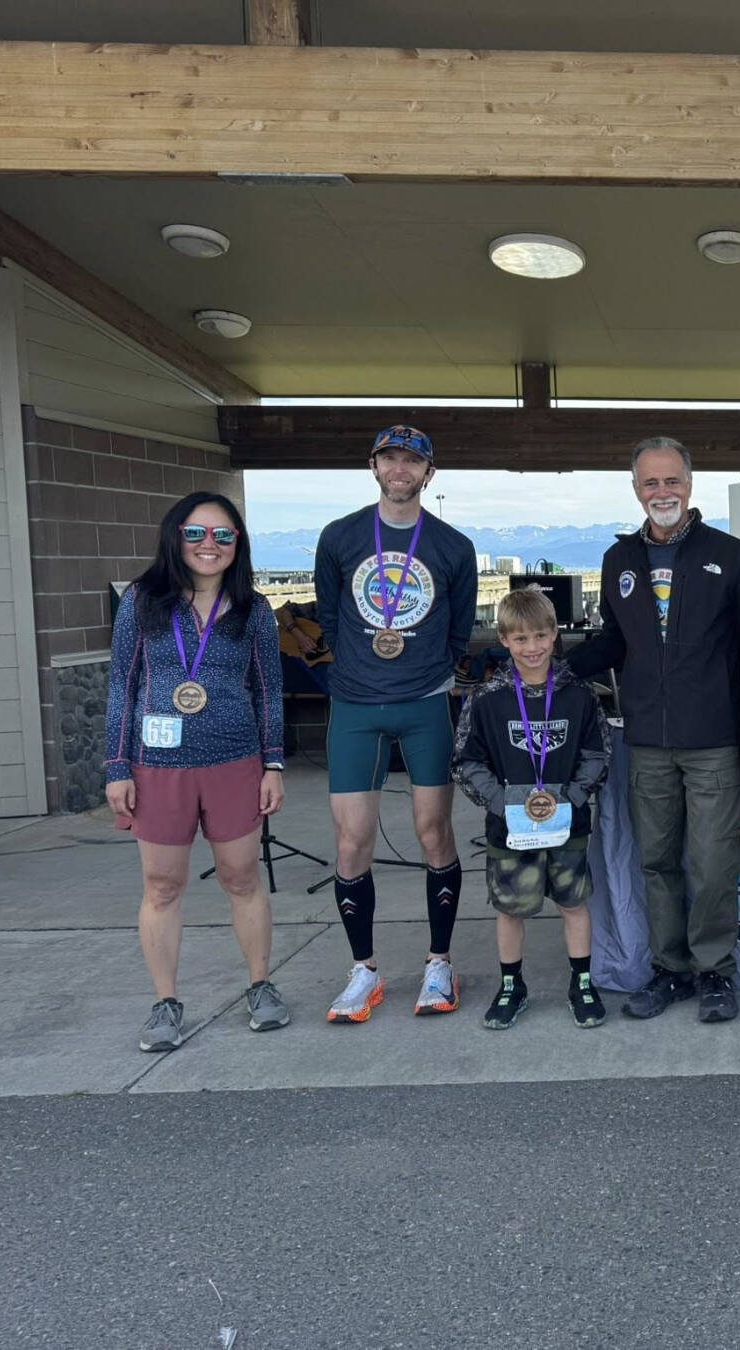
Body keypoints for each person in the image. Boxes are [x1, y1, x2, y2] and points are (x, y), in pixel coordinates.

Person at [567, 436, 740, 1024]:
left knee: (712, 862)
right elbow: (613, 643)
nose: (662, 492)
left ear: (690, 484)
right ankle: (669, 970)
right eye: (650, 483)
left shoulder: (732, 554)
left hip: (713, 738)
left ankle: (714, 973)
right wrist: (550, 667)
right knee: (656, 862)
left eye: (671, 480)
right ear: (635, 490)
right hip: (647, 738)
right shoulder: (618, 558)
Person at [104, 493, 287, 1051]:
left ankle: (260, 986)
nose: (210, 545)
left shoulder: (252, 608)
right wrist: (116, 766)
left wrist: (273, 763)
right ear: (175, 537)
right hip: (157, 765)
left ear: (238, 545)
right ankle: (165, 1003)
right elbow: (122, 684)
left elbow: (269, 692)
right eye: (198, 533)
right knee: (162, 885)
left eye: (223, 536)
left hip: (235, 762)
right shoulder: (142, 599)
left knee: (241, 878)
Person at [313, 425, 477, 1023]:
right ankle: (364, 972)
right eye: (391, 458)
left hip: (426, 701)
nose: (401, 469)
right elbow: (328, 616)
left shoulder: (454, 547)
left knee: (434, 832)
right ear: (374, 466)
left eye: (413, 460)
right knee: (352, 840)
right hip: (356, 705)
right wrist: (360, 663)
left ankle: (439, 962)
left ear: (429, 473)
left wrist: (431, 666)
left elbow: (460, 627)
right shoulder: (340, 536)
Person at [452, 587, 611, 1030]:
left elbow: (598, 753)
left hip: (568, 825)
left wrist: (575, 795)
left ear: (555, 635)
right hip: (510, 828)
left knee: (574, 905)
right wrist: (502, 803)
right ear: (502, 639)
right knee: (510, 909)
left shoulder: (579, 695)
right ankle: (511, 985)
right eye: (520, 639)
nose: (532, 648)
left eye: (541, 636)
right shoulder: (487, 698)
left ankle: (581, 981)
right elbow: (466, 761)